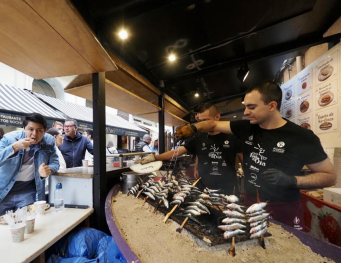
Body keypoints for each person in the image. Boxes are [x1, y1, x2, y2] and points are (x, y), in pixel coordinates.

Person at [175, 81, 336, 230]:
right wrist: (194, 128)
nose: (246, 112)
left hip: (283, 207)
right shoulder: (247, 128)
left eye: (251, 107)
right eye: (245, 106)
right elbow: (214, 123)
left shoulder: (302, 137)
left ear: (272, 106)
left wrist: (293, 180)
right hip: (250, 202)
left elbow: (329, 176)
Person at [142, 103, 243, 195]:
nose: (201, 125)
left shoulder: (232, 136)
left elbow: (242, 157)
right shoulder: (198, 136)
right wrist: (154, 157)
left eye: (205, 120)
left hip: (228, 184)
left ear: (217, 116)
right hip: (204, 183)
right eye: (200, 121)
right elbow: (177, 152)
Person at [0, 113, 59, 218]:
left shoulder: (49, 141)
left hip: (28, 192)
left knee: (29, 225)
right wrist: (14, 147)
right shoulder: (10, 139)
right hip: (2, 191)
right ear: (24, 128)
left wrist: (48, 170)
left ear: (45, 131)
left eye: (39, 130)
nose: (34, 134)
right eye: (30, 129)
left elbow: (55, 162)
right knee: (0, 228)